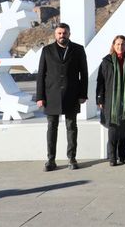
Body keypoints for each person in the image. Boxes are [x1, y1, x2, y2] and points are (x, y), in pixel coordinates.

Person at [36, 23, 88, 171]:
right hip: (51, 95)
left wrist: (83, 94)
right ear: (55, 34)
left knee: (71, 127)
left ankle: (72, 158)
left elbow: (83, 73)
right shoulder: (47, 50)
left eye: (64, 33)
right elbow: (41, 74)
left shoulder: (78, 49)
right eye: (59, 33)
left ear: (69, 34)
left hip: (72, 94)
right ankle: (51, 160)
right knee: (52, 127)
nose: (62, 36)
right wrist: (40, 96)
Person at [96, 35, 125, 166]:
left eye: (123, 44)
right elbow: (101, 81)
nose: (120, 47)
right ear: (113, 46)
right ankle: (112, 157)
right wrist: (100, 98)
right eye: (118, 44)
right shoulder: (106, 61)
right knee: (113, 129)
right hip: (111, 100)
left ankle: (122, 154)